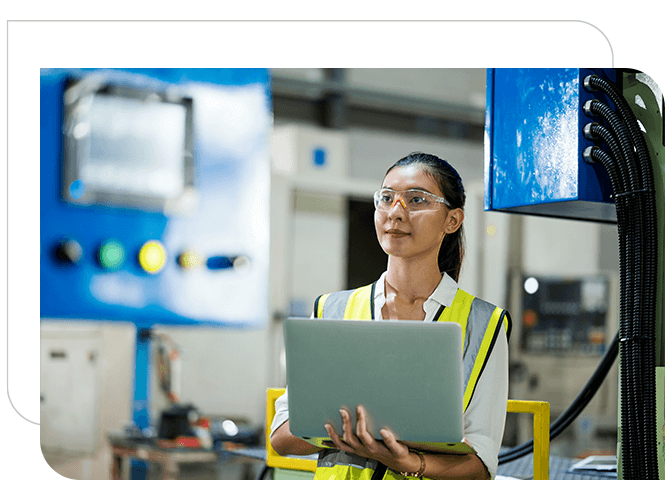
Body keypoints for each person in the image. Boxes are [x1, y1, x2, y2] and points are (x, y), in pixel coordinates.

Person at [270, 152, 510, 480]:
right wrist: (350, 433)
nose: (395, 213)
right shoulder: (331, 311)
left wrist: (412, 463)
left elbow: (481, 466)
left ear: (452, 221)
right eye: (386, 198)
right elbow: (282, 437)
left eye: (415, 200)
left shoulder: (484, 324)